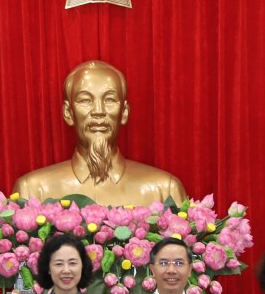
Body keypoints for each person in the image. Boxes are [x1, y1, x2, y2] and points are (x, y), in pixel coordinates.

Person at [11, 60, 187, 206]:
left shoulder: (165, 190)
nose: (98, 111)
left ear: (124, 112)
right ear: (68, 112)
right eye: (85, 100)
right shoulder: (32, 190)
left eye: (110, 100)